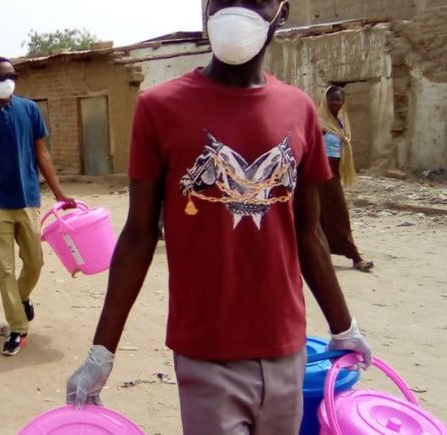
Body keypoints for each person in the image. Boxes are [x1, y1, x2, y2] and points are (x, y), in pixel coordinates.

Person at [65, 2, 374, 433]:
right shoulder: (159, 108)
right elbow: (138, 235)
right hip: (206, 353)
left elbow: (309, 235)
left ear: (281, 13)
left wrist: (344, 326)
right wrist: (103, 351)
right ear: (205, 9)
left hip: (289, 353)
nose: (237, 8)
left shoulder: (300, 110)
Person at [0, 57, 75, 356]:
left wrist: (60, 194)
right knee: (5, 269)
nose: (7, 80)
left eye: (12, 75)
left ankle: (20, 299)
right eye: (0, 76)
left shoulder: (29, 109)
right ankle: (18, 328)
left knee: (35, 262)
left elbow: (42, 153)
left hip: (29, 199)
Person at [318, 85, 374, 272]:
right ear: (325, 101)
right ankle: (356, 257)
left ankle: (318, 254)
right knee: (339, 214)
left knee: (322, 216)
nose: (335, 103)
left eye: (339, 99)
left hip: (335, 171)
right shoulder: (319, 123)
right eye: (332, 99)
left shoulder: (341, 121)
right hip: (321, 173)